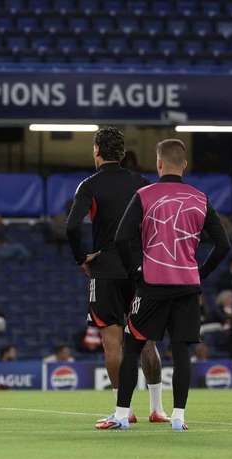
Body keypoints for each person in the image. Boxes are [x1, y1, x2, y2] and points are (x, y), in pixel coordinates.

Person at [105, 139, 230, 431]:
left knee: (133, 347)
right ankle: (178, 418)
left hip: (151, 284)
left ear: (159, 164)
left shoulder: (144, 195)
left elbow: (122, 238)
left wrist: (136, 270)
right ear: (184, 165)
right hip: (187, 285)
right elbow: (223, 245)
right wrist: (201, 273)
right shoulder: (200, 198)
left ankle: (122, 415)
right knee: (182, 351)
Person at [66, 126, 168, 426]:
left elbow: (71, 227)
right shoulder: (142, 183)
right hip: (140, 269)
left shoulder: (89, 185)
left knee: (113, 341)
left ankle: (123, 412)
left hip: (106, 268)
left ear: (97, 150)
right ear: (121, 153)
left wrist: (81, 257)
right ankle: (157, 408)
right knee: (147, 341)